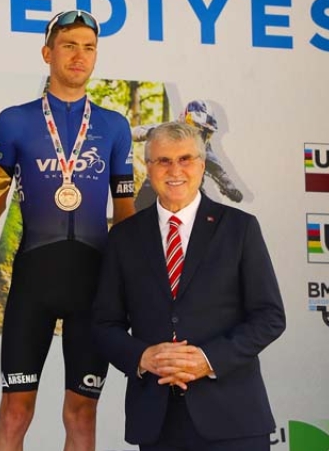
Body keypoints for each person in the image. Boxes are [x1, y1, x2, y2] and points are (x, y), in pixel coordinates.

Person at [0, 9, 136, 451]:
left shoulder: (114, 126)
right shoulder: (14, 121)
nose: (79, 56)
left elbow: (125, 212)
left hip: (95, 286)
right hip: (34, 280)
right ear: (47, 53)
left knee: (82, 413)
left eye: (89, 48)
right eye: (69, 45)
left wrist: (133, 280)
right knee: (15, 410)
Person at [93, 122, 285, 451]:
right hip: (157, 421)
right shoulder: (123, 238)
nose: (175, 170)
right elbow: (103, 324)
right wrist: (143, 357)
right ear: (148, 166)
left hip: (234, 418)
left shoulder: (239, 228)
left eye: (185, 159)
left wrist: (208, 359)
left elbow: (269, 317)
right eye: (163, 161)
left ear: (201, 164)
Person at [133, 100, 244, 211]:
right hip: (158, 184)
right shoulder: (166, 130)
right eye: (195, 128)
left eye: (205, 132)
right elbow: (134, 132)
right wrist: (151, 133)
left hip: (188, 189)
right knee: (140, 209)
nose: (199, 134)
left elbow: (218, 171)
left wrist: (231, 189)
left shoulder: (203, 147)